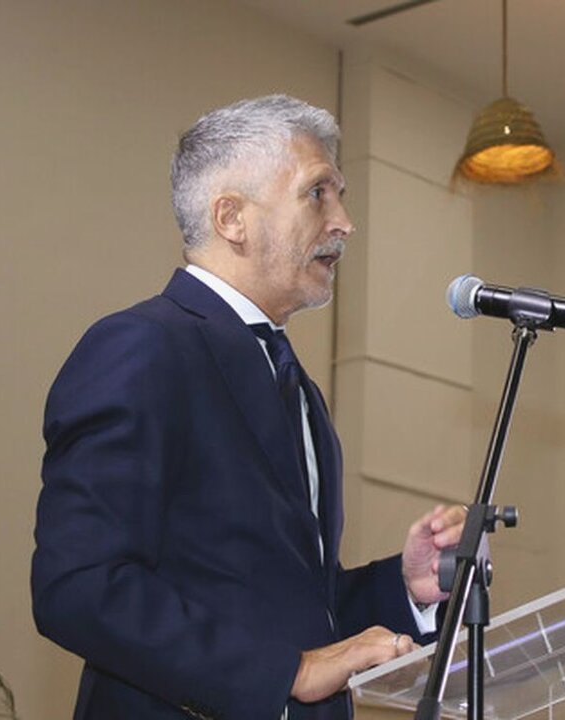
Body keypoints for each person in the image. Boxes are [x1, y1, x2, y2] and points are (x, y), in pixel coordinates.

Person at [31, 95, 465, 720]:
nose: (344, 221)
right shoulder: (141, 346)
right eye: (318, 193)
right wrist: (288, 671)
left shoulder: (296, 387)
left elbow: (292, 606)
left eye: (340, 194)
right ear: (231, 217)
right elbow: (78, 587)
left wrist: (404, 587)